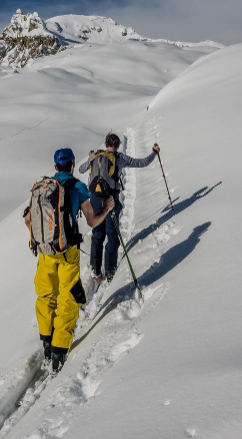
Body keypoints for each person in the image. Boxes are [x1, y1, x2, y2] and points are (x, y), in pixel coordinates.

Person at [24, 148, 114, 372]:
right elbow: (92, 222)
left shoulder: (41, 188)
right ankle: (59, 350)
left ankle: (46, 342)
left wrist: (34, 239)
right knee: (68, 298)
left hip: (45, 252)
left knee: (46, 296)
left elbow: (28, 219)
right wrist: (107, 209)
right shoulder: (78, 187)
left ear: (55, 167)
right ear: (73, 165)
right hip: (67, 252)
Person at [80, 133, 160, 283]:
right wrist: (154, 153)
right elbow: (141, 163)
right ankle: (110, 270)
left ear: (105, 144)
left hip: (95, 199)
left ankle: (95, 268)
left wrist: (90, 157)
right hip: (111, 200)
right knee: (112, 234)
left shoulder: (95, 155)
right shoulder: (119, 158)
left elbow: (81, 169)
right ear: (117, 145)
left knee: (97, 232)